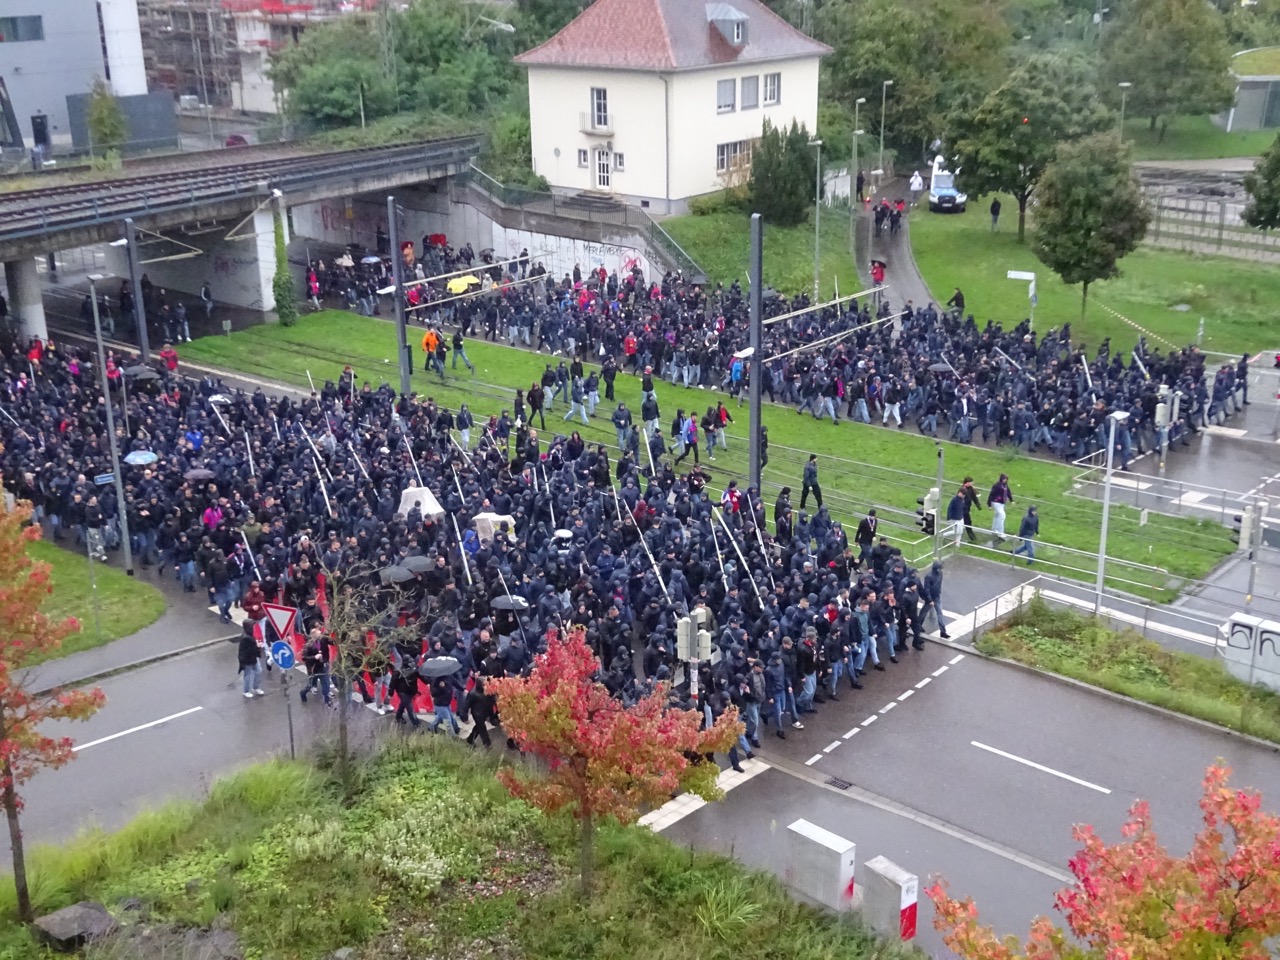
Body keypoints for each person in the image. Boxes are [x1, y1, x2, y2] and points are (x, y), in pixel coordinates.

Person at [920, 561, 951, 639]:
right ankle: (918, 626)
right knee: (924, 613)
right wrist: (930, 600)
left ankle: (943, 631)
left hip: (936, 597)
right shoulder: (929, 576)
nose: (940, 570)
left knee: (939, 614)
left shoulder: (939, 574)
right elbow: (926, 589)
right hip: (931, 599)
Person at [237, 621, 265, 698]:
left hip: (252, 658)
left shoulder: (248, 635)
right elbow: (251, 650)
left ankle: (256, 687)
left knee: (259, 671)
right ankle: (246, 691)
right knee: (247, 675)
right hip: (247, 659)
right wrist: (258, 646)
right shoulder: (246, 638)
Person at [986, 473, 1013, 542]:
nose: (1005, 480)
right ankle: (1000, 532)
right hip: (996, 502)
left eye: (1006, 479)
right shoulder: (997, 485)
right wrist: (989, 504)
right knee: (1002, 516)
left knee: (997, 515)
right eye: (1004, 479)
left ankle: (994, 529)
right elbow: (991, 494)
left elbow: (1008, 492)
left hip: (1001, 503)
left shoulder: (1005, 485)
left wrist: (1011, 500)